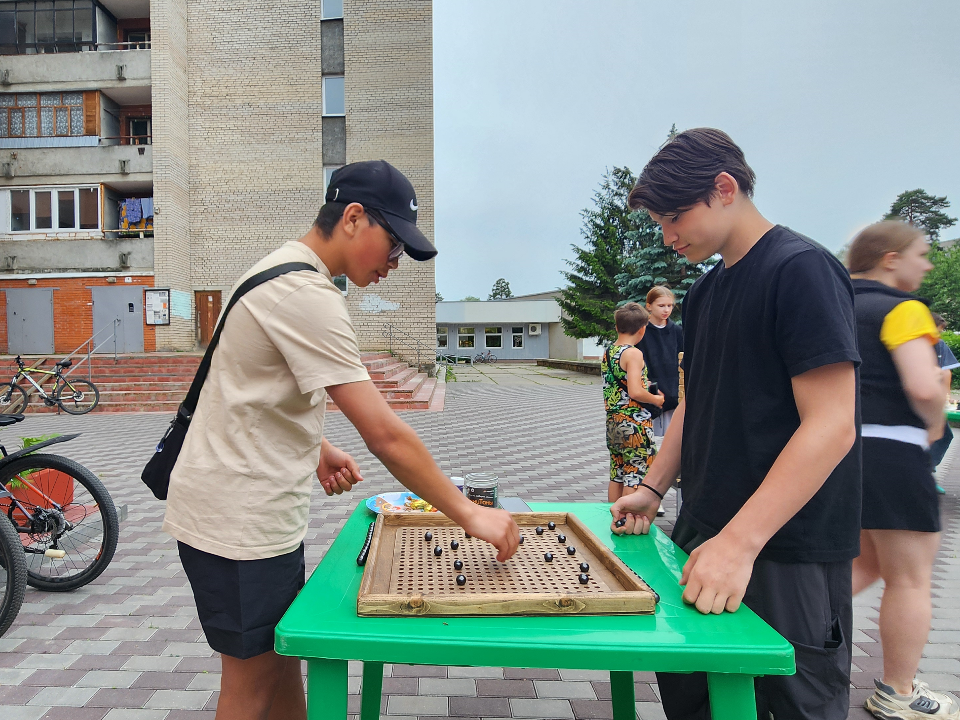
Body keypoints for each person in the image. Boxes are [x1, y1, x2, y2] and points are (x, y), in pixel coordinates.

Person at [162, 160, 521, 720]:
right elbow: (385, 434)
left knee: (281, 660)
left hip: (250, 509)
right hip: (239, 521)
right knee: (251, 684)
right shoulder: (306, 292)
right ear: (353, 218)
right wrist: (469, 514)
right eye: (394, 244)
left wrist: (319, 448)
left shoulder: (278, 269)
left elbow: (251, 388)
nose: (394, 263)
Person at [610, 128, 861, 720]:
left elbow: (832, 423)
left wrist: (741, 542)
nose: (667, 237)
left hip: (786, 545)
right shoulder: (704, 293)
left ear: (724, 188)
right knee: (695, 696)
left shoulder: (802, 270)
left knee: (792, 702)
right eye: (660, 224)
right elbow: (693, 404)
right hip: (703, 531)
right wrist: (651, 489)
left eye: (675, 217)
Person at [847, 221, 958, 720]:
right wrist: (935, 425)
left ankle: (779, 640)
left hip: (836, 451)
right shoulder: (905, 309)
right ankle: (899, 692)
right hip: (894, 452)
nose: (928, 265)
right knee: (910, 578)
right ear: (890, 259)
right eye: (922, 254)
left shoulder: (834, 303)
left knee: (865, 563)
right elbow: (923, 385)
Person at [603, 302, 665, 502]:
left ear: (617, 327)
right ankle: (626, 515)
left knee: (617, 472)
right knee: (635, 473)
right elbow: (635, 391)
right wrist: (656, 399)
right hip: (634, 423)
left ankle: (611, 513)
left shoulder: (609, 352)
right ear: (642, 329)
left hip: (613, 422)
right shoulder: (633, 353)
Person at [636, 286, 683, 437]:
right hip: (649, 394)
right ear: (649, 306)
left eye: (669, 305)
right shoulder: (641, 331)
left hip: (673, 393)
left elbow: (683, 360)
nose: (666, 310)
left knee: (672, 438)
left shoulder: (677, 331)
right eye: (661, 305)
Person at [930, 312, 957, 482]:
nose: (938, 336)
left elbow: (947, 372)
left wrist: (947, 396)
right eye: (937, 331)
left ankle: (928, 469)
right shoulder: (914, 345)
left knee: (944, 435)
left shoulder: (940, 345)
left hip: (934, 399)